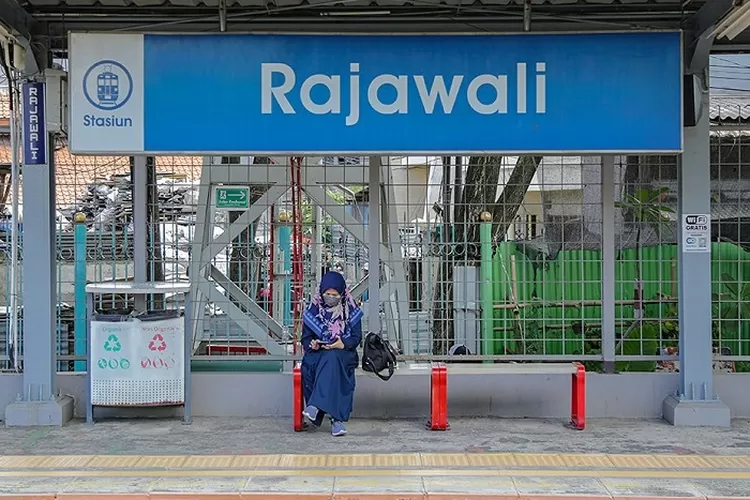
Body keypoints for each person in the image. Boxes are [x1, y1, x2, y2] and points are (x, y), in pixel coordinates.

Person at [301, 271, 363, 436]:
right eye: (327, 294)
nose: (330, 297)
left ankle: (315, 406)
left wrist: (342, 343)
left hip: (344, 351)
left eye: (335, 295)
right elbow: (305, 340)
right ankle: (337, 420)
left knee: (333, 358)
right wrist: (313, 344)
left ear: (342, 294)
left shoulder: (351, 310)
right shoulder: (313, 309)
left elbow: (356, 338)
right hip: (319, 352)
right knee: (325, 360)